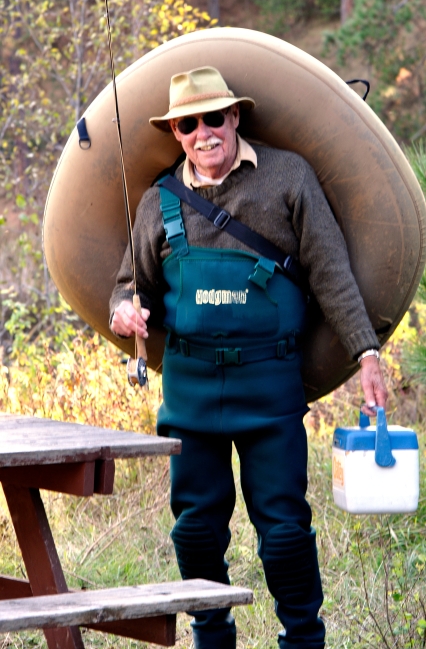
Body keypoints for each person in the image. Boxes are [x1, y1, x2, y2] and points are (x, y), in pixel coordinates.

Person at [109, 66, 388, 649]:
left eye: (215, 117)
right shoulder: (160, 198)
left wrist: (366, 353)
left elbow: (331, 271)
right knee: (196, 528)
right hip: (188, 390)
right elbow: (129, 285)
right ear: (177, 132)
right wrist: (124, 311)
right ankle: (213, 636)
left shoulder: (288, 178)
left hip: (270, 386)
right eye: (190, 124)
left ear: (236, 116)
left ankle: (304, 639)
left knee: (284, 527)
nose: (204, 133)